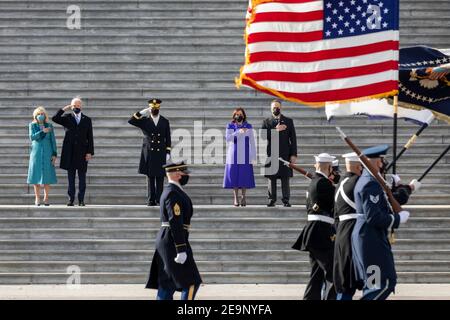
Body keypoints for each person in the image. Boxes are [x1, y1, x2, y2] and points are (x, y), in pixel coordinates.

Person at [351, 145, 411, 300]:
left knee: (373, 285)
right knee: (382, 284)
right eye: (383, 160)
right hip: (370, 240)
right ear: (378, 162)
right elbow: (374, 217)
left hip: (369, 238)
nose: (385, 163)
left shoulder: (369, 180)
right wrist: (397, 219)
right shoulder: (371, 183)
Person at [145, 161, 202, 300]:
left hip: (169, 239)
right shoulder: (172, 193)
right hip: (173, 240)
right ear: (177, 174)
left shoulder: (173, 191)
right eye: (184, 173)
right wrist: (181, 249)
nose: (186, 176)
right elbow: (175, 222)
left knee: (167, 282)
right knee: (192, 281)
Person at [292, 153, 337, 300]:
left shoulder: (316, 181)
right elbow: (336, 203)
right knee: (334, 271)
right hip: (320, 232)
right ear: (330, 167)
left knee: (317, 274)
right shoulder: (323, 183)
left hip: (316, 231)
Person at [128, 99, 172, 206]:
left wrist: (168, 152)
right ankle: (151, 199)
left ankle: (159, 199)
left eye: (156, 108)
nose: (154, 110)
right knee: (150, 177)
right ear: (150, 109)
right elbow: (131, 121)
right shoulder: (145, 120)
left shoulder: (164, 121)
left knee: (160, 177)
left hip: (160, 151)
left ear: (159, 108)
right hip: (149, 151)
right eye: (152, 108)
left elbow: (168, 137)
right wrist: (141, 113)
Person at [52, 97, 94, 206]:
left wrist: (90, 152)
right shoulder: (67, 117)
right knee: (70, 178)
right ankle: (71, 199)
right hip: (69, 153)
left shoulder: (87, 119)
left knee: (82, 179)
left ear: (81, 106)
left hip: (82, 153)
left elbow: (90, 137)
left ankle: (81, 199)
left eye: (78, 105)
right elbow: (55, 118)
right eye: (75, 105)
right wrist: (64, 109)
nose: (77, 107)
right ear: (72, 106)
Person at [333, 152, 363, 300]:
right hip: (354, 233)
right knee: (365, 281)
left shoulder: (341, 183)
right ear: (359, 166)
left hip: (341, 232)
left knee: (345, 280)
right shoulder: (358, 182)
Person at [262, 99, 297, 207]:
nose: (275, 109)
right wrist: (274, 130)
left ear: (280, 108)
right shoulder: (266, 122)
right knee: (271, 178)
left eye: (277, 107)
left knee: (285, 178)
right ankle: (272, 199)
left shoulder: (288, 121)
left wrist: (294, 154)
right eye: (273, 107)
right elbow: (263, 136)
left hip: (285, 154)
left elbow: (293, 139)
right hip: (271, 154)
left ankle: (286, 200)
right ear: (270, 109)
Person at [223, 107, 256, 206]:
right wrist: (239, 132)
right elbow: (228, 138)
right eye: (237, 114)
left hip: (245, 154)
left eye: (240, 114)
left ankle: (244, 197)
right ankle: (235, 198)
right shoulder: (230, 126)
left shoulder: (248, 126)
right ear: (234, 116)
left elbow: (252, 141)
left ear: (243, 115)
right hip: (233, 154)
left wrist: (253, 155)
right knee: (234, 176)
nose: (238, 116)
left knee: (244, 175)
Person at [27, 106, 58, 206]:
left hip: (48, 152)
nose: (41, 115)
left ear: (45, 115)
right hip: (36, 153)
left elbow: (53, 140)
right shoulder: (32, 125)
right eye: (39, 114)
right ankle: (37, 198)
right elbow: (32, 137)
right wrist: (42, 131)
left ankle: (46, 198)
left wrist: (54, 154)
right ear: (35, 116)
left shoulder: (49, 125)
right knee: (36, 176)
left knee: (47, 176)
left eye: (42, 114)